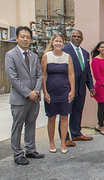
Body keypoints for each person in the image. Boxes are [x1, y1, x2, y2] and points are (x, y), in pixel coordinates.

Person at [5, 26, 45, 165]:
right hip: (20, 99)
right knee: (18, 126)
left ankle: (31, 149)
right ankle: (17, 154)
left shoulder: (33, 56)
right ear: (17, 38)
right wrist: (28, 93)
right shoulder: (10, 55)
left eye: (28, 37)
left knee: (31, 124)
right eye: (22, 36)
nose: (25, 39)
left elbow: (40, 75)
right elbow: (13, 78)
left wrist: (35, 91)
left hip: (34, 98)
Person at [42, 33, 75, 154]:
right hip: (51, 91)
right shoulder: (46, 56)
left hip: (64, 91)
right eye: (56, 41)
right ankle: (51, 142)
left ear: (63, 43)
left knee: (64, 117)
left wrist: (72, 90)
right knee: (51, 117)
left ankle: (63, 142)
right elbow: (43, 75)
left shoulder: (68, 57)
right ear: (52, 42)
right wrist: (44, 91)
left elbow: (71, 74)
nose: (58, 43)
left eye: (60, 41)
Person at [62, 30, 95, 147]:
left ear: (82, 38)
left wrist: (90, 86)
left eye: (79, 37)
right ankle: (64, 138)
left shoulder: (85, 53)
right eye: (74, 36)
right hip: (68, 89)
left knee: (77, 111)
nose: (76, 38)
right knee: (65, 113)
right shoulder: (64, 50)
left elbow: (87, 72)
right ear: (70, 37)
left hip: (81, 89)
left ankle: (76, 133)